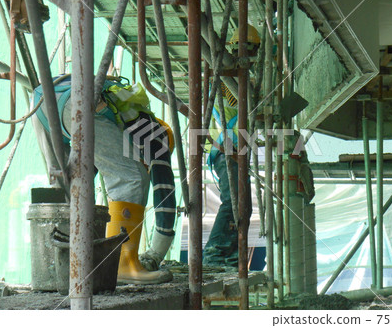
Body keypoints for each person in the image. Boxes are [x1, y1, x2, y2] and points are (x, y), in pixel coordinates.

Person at [31, 74, 176, 284]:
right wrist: (157, 253)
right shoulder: (156, 136)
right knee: (132, 177)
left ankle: (59, 271)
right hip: (78, 102)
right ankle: (122, 264)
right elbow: (165, 194)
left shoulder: (126, 122)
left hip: (43, 100)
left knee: (71, 186)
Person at [203, 25, 260, 268]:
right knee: (234, 202)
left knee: (242, 206)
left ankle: (231, 255)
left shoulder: (237, 79)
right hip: (226, 150)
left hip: (234, 150)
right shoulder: (228, 82)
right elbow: (224, 117)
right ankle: (214, 254)